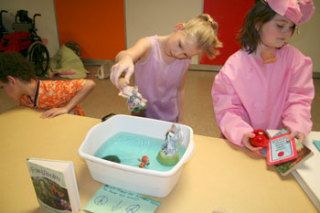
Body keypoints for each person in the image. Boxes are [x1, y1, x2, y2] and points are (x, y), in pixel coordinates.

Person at [212, 0, 315, 152]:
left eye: (291, 27)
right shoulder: (234, 67)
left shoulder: (296, 61)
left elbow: (299, 100)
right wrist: (242, 133)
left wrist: (297, 126)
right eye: (280, 25)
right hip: (243, 143)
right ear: (258, 23)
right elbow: (228, 109)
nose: (286, 33)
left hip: (281, 140)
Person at [111, 14, 222, 122]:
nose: (178, 54)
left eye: (186, 54)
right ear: (179, 28)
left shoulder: (185, 60)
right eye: (180, 45)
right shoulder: (148, 45)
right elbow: (126, 54)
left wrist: (181, 116)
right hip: (142, 114)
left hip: (168, 117)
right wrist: (126, 58)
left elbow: (180, 89)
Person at [0, 52, 95, 118]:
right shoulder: (23, 97)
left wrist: (66, 108)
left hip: (73, 122)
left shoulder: (53, 88)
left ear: (11, 81)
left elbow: (89, 84)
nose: (4, 90)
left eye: (3, 86)